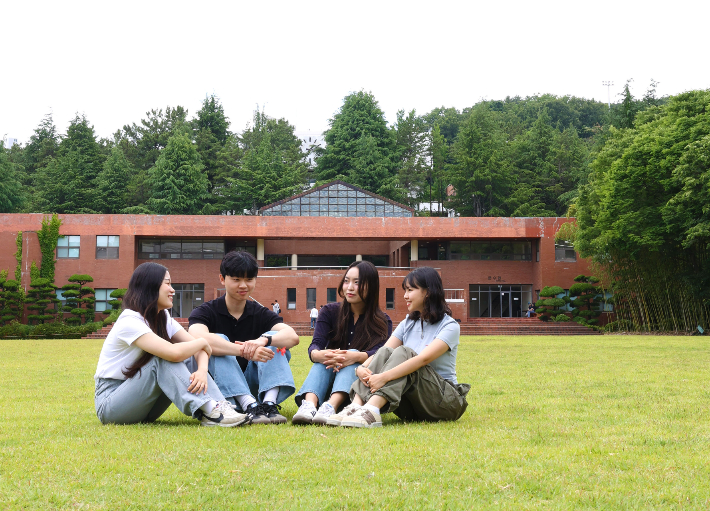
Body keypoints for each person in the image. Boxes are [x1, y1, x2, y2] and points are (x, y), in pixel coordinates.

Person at [94, 262, 247, 427]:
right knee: (162, 359)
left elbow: (198, 350)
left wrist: (202, 370)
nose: (172, 289)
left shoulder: (162, 317)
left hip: (144, 403)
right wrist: (202, 341)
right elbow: (175, 353)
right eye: (167, 283)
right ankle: (212, 412)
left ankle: (219, 406)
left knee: (188, 356)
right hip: (111, 404)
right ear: (150, 287)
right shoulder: (129, 320)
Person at [328, 266, 470, 428]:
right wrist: (361, 368)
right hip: (412, 403)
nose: (405, 296)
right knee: (387, 351)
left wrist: (383, 377)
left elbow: (423, 359)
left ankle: (371, 409)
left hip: (445, 403)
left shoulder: (450, 326)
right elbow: (383, 352)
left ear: (428, 292)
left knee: (405, 352)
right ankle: (356, 406)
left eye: (410, 290)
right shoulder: (407, 323)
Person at [188, 251, 299, 425]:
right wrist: (242, 351)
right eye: (236, 279)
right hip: (223, 389)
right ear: (222, 279)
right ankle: (249, 404)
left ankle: (268, 405)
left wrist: (263, 340)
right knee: (217, 341)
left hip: (255, 384)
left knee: (274, 338)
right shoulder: (206, 311)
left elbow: (292, 336)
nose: (243, 285)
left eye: (249, 279)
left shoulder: (260, 312)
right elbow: (196, 336)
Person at [292, 261, 392, 425]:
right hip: (324, 386)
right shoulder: (329, 312)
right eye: (346, 281)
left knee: (351, 355)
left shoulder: (382, 321)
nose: (349, 287)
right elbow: (316, 344)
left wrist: (357, 356)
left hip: (354, 396)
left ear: (371, 286)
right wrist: (318, 354)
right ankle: (309, 405)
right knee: (326, 357)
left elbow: (382, 353)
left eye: (357, 282)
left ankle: (331, 406)